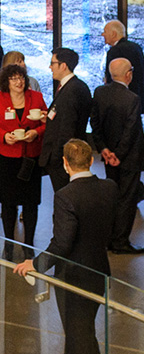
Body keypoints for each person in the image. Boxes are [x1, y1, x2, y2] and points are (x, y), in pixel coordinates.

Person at [14, 139, 116, 354]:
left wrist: (35, 264)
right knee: (77, 329)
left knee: (80, 333)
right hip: (99, 271)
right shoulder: (109, 188)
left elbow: (62, 244)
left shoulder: (66, 196)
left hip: (74, 278)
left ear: (65, 164)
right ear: (91, 161)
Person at [0, 63, 47, 260]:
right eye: (14, 79)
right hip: (6, 158)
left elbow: (47, 122)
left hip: (30, 157)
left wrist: (36, 132)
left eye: (21, 78)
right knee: (8, 202)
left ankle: (29, 244)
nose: (18, 82)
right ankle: (9, 242)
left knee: (31, 203)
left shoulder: (36, 97)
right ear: (6, 82)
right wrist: (4, 136)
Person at [90, 58, 144, 254]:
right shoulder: (133, 99)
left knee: (113, 196)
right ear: (128, 74)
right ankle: (120, 242)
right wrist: (119, 155)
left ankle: (109, 238)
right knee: (127, 199)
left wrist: (104, 149)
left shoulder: (100, 92)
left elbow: (95, 123)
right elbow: (131, 132)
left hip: (107, 156)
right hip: (128, 158)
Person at [40, 47, 92, 193]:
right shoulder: (71, 86)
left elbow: (68, 127)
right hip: (65, 155)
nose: (50, 67)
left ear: (63, 66)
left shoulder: (72, 90)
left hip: (65, 157)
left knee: (65, 197)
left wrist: (58, 157)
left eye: (53, 63)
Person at [103, 20, 144, 106]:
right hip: (138, 97)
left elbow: (111, 79)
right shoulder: (136, 47)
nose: (102, 34)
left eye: (105, 32)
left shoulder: (114, 51)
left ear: (113, 34)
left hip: (119, 101)